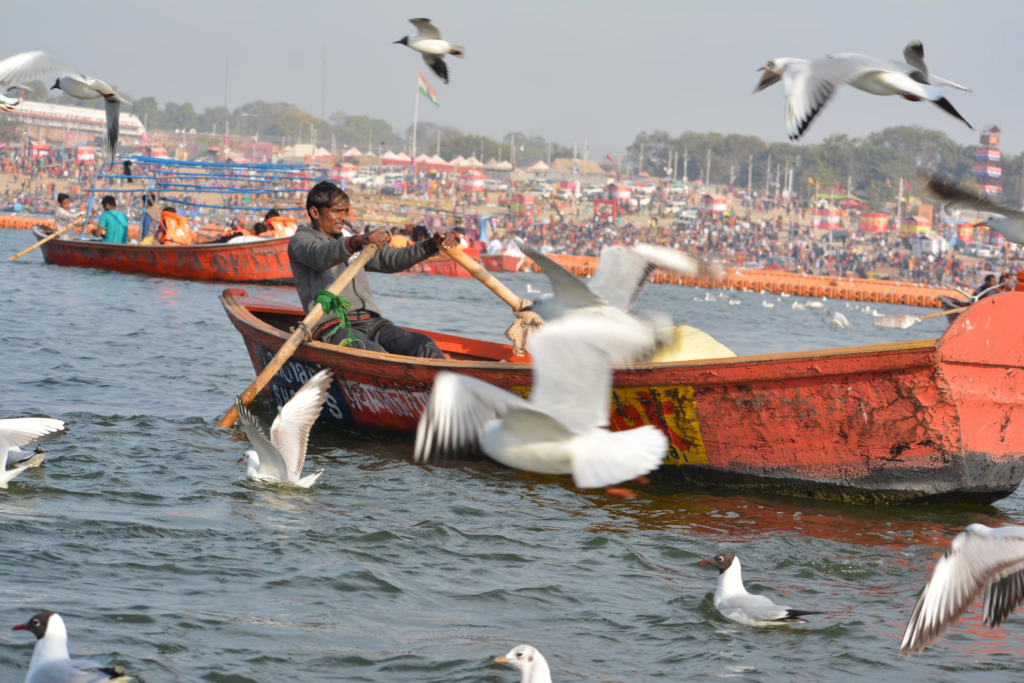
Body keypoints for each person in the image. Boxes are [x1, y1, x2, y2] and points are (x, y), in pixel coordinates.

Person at [288, 181, 458, 358]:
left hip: (372, 322)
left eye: (345, 211)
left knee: (424, 345)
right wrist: (355, 241)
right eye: (337, 211)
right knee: (373, 354)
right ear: (315, 212)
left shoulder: (349, 240)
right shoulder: (301, 240)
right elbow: (319, 256)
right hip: (332, 327)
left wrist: (429, 246)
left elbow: (391, 260)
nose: (343, 217)